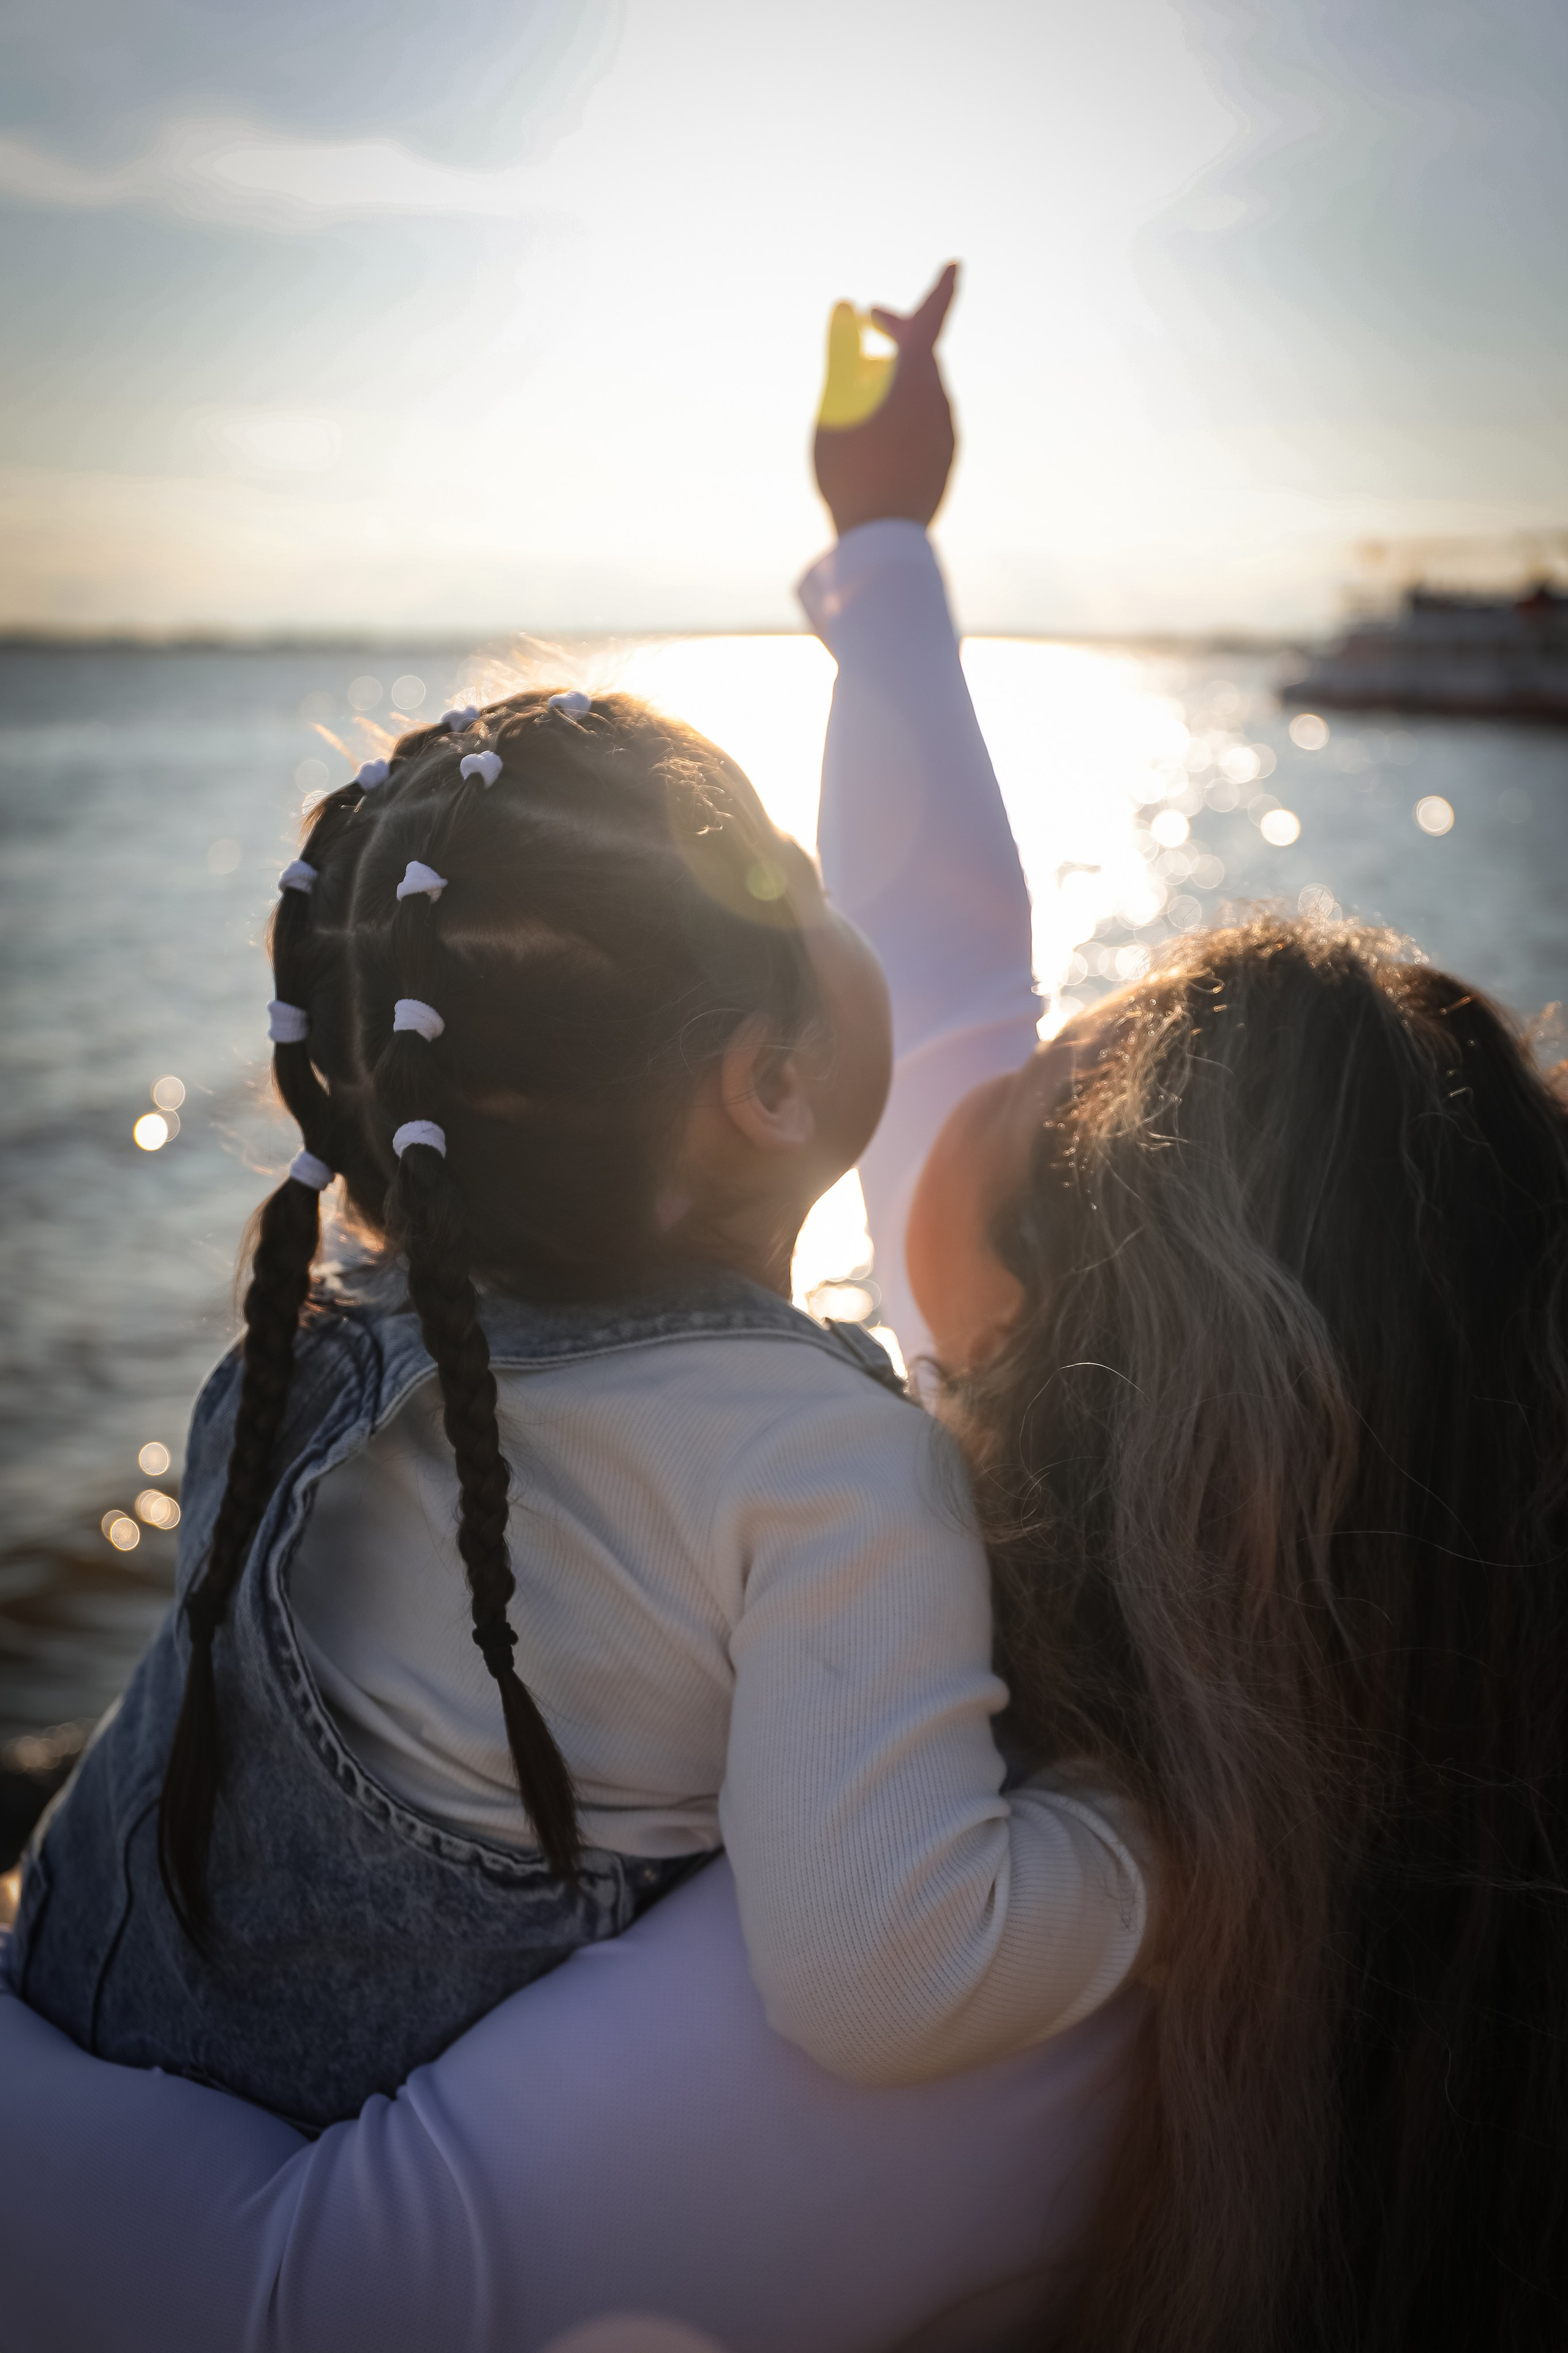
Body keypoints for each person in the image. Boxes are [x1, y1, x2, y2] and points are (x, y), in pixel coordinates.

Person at [3, 456, 1145, 2131]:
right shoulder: (827, 1474)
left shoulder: (335, 1340)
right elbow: (884, 1969)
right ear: (767, 1085)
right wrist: (1149, 1833)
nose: (842, 899)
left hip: (75, 2033)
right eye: (804, 889)